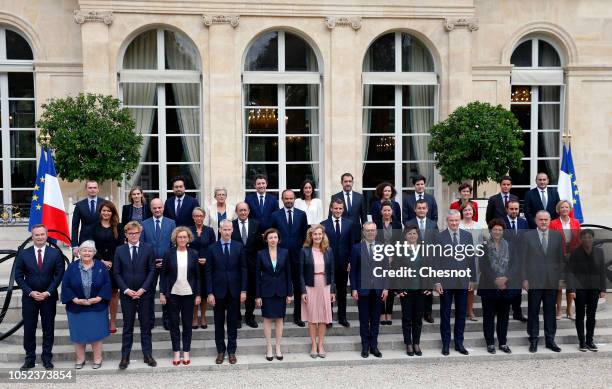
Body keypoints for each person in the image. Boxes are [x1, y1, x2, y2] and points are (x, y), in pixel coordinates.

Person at [15, 224, 65, 370]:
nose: (40, 237)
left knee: (48, 329)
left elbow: (59, 275)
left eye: (42, 234)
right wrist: (30, 292)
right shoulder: (24, 254)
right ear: (32, 237)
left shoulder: (55, 253)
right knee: (29, 329)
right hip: (29, 298)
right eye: (37, 235)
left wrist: (48, 292)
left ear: (46, 235)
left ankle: (47, 358)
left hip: (48, 298)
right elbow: (18, 276)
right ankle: (29, 359)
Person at [61, 240, 111, 369]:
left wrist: (99, 298)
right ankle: (80, 359)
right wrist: (75, 299)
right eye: (84, 250)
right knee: (78, 335)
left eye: (90, 251)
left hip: (97, 307)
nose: (87, 253)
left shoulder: (101, 266)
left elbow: (107, 284)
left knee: (97, 334)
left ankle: (98, 358)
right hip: (76, 307)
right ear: (80, 253)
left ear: (94, 253)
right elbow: (65, 285)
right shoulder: (72, 267)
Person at [113, 221, 157, 369]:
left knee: (146, 326)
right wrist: (126, 290)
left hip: (144, 294)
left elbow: (152, 270)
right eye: (130, 233)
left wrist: (143, 289)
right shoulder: (120, 250)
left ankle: (148, 355)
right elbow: (116, 273)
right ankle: (125, 357)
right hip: (127, 295)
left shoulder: (148, 248)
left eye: (136, 233)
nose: (133, 235)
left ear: (140, 234)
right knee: (127, 327)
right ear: (126, 234)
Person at [205, 220, 248, 365]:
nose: (227, 232)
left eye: (229, 229)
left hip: (235, 291)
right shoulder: (212, 248)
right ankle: (220, 351)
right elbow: (208, 272)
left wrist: (243, 290)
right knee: (218, 323)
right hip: (218, 292)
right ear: (219, 230)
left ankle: (231, 351)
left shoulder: (239, 246)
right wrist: (209, 293)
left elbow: (244, 269)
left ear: (232, 230)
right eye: (224, 229)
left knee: (232, 323)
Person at [522, 210, 564, 353]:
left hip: (551, 280)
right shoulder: (528, 236)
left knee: (550, 311)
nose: (544, 222)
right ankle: (533, 339)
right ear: (536, 220)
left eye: (546, 219)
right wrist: (524, 279)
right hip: (534, 280)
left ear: (550, 220)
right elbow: (523, 259)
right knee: (533, 311)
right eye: (541, 219)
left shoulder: (557, 236)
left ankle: (550, 340)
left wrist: (561, 278)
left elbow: (560, 259)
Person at [435, 210, 476, 356]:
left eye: (456, 220)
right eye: (451, 221)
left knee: (461, 313)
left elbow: (471, 259)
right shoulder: (439, 237)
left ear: (460, 220)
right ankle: (446, 344)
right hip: (446, 281)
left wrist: (472, 279)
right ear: (447, 221)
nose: (454, 223)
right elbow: (436, 261)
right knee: (445, 314)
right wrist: (437, 281)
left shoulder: (467, 236)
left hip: (463, 281)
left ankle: (459, 343)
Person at [478, 219, 521, 354]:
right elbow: (484, 266)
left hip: (506, 286)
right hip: (489, 286)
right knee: (489, 316)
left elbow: (515, 265)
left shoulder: (511, 246)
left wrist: (505, 278)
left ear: (503, 231)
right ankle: (490, 343)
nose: (497, 232)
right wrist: (496, 280)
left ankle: (503, 342)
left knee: (504, 317)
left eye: (500, 230)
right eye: (495, 229)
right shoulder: (483, 246)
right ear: (490, 231)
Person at [160, 227, 201, 366]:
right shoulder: (168, 253)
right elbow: (163, 275)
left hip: (189, 294)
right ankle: (176, 351)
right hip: (173, 294)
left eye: (184, 237)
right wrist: (162, 293)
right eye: (179, 237)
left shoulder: (194, 254)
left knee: (187, 324)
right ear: (175, 239)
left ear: (189, 238)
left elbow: (197, 276)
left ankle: (186, 351)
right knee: (174, 324)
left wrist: (198, 294)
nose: (182, 239)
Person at [270, 189, 309, 327]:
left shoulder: (302, 215)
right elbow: (272, 236)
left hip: (298, 257)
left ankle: (297, 316)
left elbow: (305, 236)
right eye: (286, 198)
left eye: (291, 198)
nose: (289, 201)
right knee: (281, 287)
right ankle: (280, 315)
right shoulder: (275, 215)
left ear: (294, 199)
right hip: (281, 257)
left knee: (298, 287)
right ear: (282, 199)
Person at [350, 222, 388, 358]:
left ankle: (374, 346)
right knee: (364, 320)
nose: (370, 232)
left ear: (376, 232)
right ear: (363, 232)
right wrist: (354, 289)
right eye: (368, 230)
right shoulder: (356, 248)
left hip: (378, 290)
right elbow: (353, 271)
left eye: (372, 230)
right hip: (362, 290)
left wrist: (386, 288)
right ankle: (365, 346)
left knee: (376, 320)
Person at [255, 229, 293, 361]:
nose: (272, 240)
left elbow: (288, 273)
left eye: (275, 237)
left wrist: (290, 293)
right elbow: (257, 277)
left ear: (278, 239)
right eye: (270, 237)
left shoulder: (285, 252)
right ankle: (269, 347)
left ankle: (278, 347)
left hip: (281, 290)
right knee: (267, 319)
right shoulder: (260, 254)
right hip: (266, 291)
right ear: (266, 239)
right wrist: (257, 295)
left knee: (279, 320)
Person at [567, 229, 607, 351]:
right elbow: (570, 273)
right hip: (579, 289)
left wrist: (603, 288)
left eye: (589, 237)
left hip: (594, 289)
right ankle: (581, 342)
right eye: (584, 237)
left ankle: (590, 341)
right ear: (581, 239)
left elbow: (602, 271)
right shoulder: (575, 252)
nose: (587, 239)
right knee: (580, 316)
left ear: (593, 239)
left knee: (591, 316)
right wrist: (571, 289)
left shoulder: (599, 252)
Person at [299, 224, 336, 358]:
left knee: (323, 318)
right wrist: (303, 291)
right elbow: (301, 273)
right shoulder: (304, 251)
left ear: (323, 235)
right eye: (315, 234)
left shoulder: (328, 250)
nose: (317, 236)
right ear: (311, 236)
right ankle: (313, 345)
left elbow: (332, 272)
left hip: (325, 286)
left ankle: (321, 344)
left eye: (320, 234)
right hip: (310, 286)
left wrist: (332, 290)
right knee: (312, 318)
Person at [142, 198, 176, 331]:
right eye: (154, 208)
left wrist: (167, 260)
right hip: (150, 265)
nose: (157, 210)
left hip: (167, 264)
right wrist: (151, 261)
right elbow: (143, 245)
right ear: (151, 209)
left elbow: (174, 244)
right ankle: (150, 320)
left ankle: (167, 320)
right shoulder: (144, 224)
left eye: (159, 207)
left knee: (167, 292)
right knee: (149, 293)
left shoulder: (171, 223)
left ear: (163, 208)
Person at [396, 225, 430, 356]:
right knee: (407, 318)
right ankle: (408, 344)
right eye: (409, 233)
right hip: (406, 290)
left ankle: (416, 343)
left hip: (420, 290)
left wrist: (428, 287)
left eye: (414, 233)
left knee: (418, 318)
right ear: (405, 236)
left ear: (418, 235)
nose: (412, 236)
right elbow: (396, 271)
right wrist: (399, 289)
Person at [91, 201, 124, 334]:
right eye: (104, 210)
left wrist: (111, 260)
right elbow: (90, 246)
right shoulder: (94, 227)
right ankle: (101, 320)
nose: (106, 213)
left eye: (109, 211)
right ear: (100, 212)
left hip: (114, 264)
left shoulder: (119, 227)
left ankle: (112, 322)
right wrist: (102, 260)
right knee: (99, 293)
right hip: (98, 264)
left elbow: (120, 245)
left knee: (114, 293)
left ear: (113, 213)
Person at [321, 198, 354, 327]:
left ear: (343, 209)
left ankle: (342, 317)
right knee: (328, 291)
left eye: (340, 208)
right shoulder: (323, 224)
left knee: (342, 291)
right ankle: (328, 318)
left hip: (343, 264)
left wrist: (351, 261)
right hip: (328, 264)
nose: (338, 211)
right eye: (336, 208)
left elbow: (352, 244)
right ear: (331, 208)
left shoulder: (349, 224)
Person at [404, 199, 438, 323]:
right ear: (415, 209)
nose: (421, 210)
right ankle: (415, 312)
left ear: (427, 209)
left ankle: (427, 313)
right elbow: (405, 240)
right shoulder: (409, 223)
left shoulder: (432, 224)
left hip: (429, 260)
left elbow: (436, 242)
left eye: (424, 208)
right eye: (419, 208)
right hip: (413, 258)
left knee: (427, 286)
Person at [231, 202, 262, 328]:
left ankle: (249, 316)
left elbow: (260, 246)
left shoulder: (256, 224)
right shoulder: (231, 225)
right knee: (235, 292)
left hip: (252, 265)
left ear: (249, 211)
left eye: (245, 210)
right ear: (236, 212)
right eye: (240, 210)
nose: (243, 212)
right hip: (235, 265)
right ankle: (237, 317)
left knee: (251, 292)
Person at [550, 200, 581, 320]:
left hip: (572, 257)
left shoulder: (575, 222)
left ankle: (569, 310)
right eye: (562, 207)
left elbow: (579, 239)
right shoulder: (553, 223)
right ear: (558, 209)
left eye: (566, 207)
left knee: (571, 284)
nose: (564, 209)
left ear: (570, 209)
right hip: (558, 257)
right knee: (559, 285)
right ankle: (559, 311)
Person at [375, 200, 402, 325]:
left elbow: (400, 243)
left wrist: (393, 256)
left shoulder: (397, 225)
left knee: (390, 287)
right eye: (384, 210)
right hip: (379, 258)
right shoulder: (376, 225)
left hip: (394, 258)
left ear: (392, 212)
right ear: (381, 212)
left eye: (389, 210)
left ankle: (389, 314)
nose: (386, 212)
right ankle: (381, 313)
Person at [189, 207, 216, 329]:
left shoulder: (209, 231)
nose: (198, 218)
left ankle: (203, 316)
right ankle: (194, 317)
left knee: (204, 292)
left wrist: (207, 259)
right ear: (193, 217)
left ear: (204, 217)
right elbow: (186, 247)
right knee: (194, 291)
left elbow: (214, 248)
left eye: (201, 216)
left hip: (206, 265)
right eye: (196, 216)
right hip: (191, 266)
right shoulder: (189, 230)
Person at [459, 202, 487, 322]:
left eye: (470, 210)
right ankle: (460, 310)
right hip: (460, 260)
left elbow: (481, 244)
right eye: (465, 210)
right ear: (462, 212)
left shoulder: (478, 226)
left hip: (474, 260)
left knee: (471, 287)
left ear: (473, 212)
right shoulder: (458, 225)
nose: (468, 212)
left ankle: (470, 311)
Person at [504, 200, 529, 323]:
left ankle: (517, 312)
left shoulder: (524, 223)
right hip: (505, 261)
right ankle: (504, 312)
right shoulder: (501, 222)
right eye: (511, 209)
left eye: (516, 209)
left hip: (520, 260)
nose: (514, 211)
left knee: (517, 289)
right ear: (507, 209)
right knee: (506, 287)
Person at [71, 179, 105, 257]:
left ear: (98, 189)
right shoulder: (79, 205)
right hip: (85, 241)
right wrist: (75, 246)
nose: (92, 190)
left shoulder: (105, 203)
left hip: (102, 240)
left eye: (94, 187)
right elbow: (74, 227)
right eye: (90, 188)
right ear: (86, 189)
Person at [330, 173, 368, 242]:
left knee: (356, 252)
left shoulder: (360, 197)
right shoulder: (335, 197)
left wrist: (365, 233)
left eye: (350, 181)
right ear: (341, 183)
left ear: (352, 182)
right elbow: (331, 216)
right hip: (341, 231)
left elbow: (364, 217)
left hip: (356, 232)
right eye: (345, 181)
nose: (348, 183)